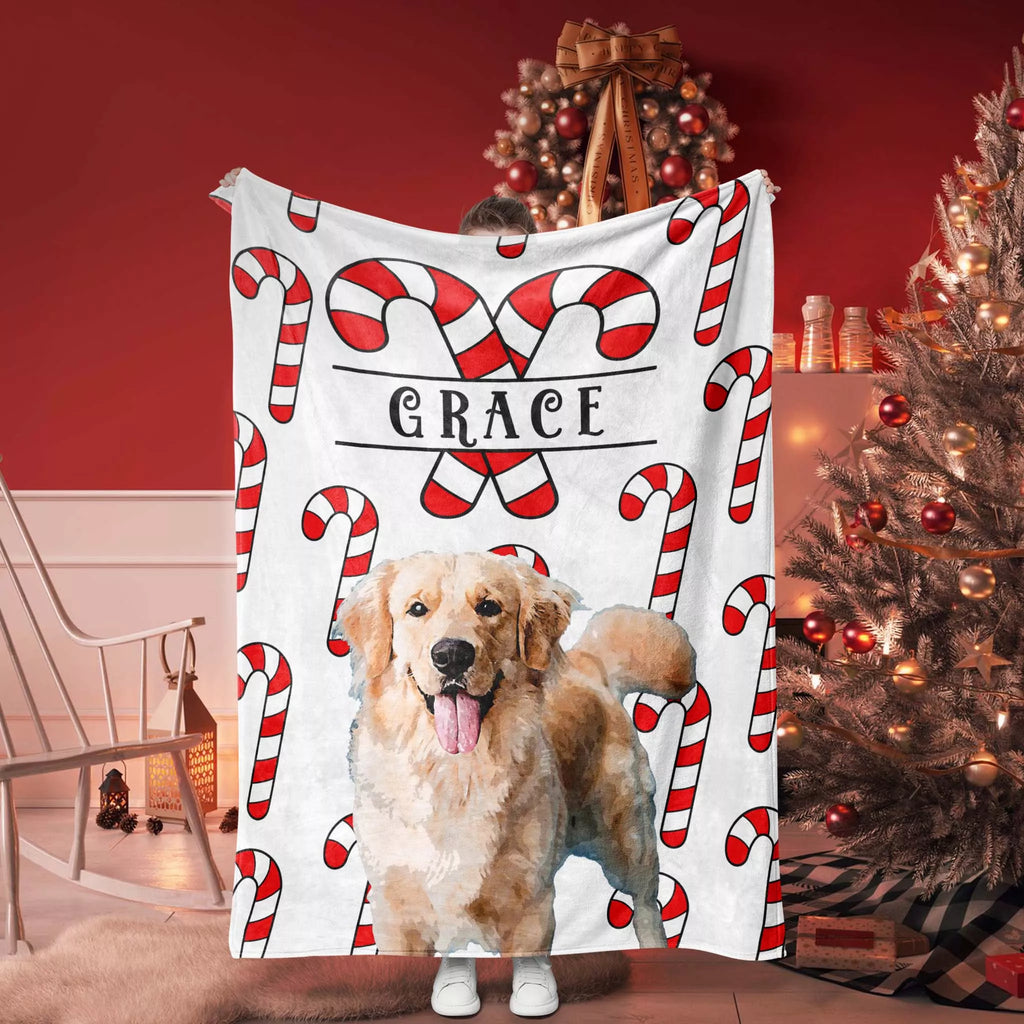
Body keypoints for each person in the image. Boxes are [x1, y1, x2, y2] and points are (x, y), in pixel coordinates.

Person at [213, 166, 777, 1020]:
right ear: (385, 635)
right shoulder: (413, 344)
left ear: (521, 634)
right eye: (420, 618)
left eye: (483, 615)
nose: (453, 638)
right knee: (410, 913)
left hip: (558, 739)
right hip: (409, 781)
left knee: (622, 860)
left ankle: (598, 948)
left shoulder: (573, 325)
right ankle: (440, 971)